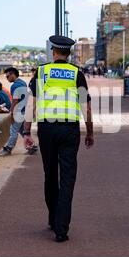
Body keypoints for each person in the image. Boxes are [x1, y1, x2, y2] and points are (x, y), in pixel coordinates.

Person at [23, 35, 94, 243]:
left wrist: (27, 131)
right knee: (68, 178)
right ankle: (62, 228)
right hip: (69, 130)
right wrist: (89, 132)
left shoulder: (42, 72)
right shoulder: (76, 74)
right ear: (68, 53)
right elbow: (86, 107)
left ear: (53, 52)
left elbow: (31, 104)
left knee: (50, 175)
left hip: (46, 129)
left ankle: (53, 219)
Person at [0, 67, 38, 156]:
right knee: (22, 130)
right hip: (25, 110)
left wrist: (11, 112)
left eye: (7, 76)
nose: (6, 79)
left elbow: (15, 101)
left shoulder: (14, 86)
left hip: (20, 111)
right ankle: (32, 146)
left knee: (13, 130)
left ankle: (8, 149)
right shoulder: (22, 82)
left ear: (12, 74)